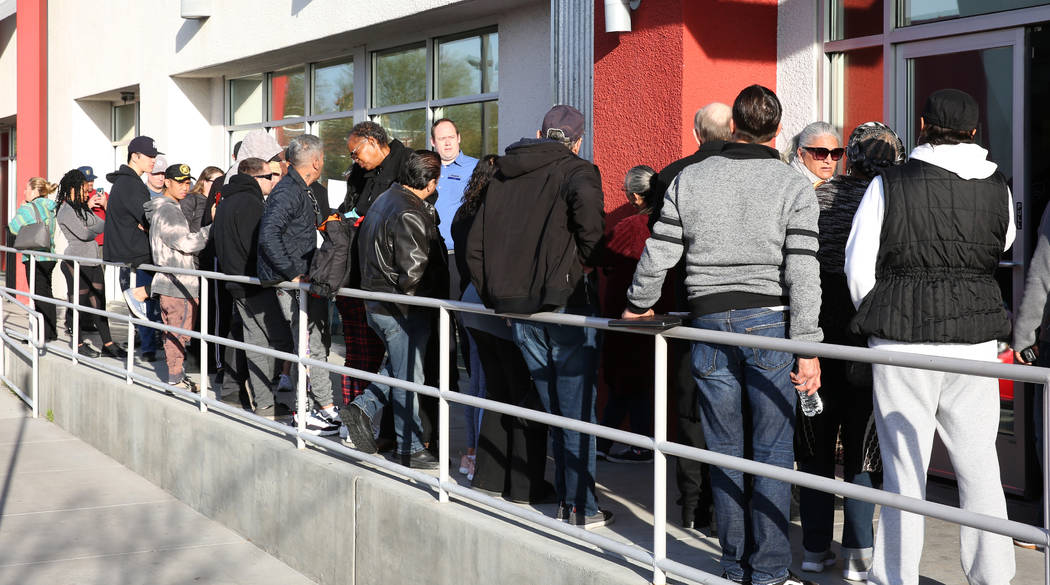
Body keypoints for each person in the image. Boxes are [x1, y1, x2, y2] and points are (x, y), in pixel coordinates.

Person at [623, 85, 822, 585]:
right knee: (774, 452)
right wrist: (809, 345)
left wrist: (637, 303)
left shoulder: (690, 178)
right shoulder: (791, 184)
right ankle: (771, 570)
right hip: (770, 324)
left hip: (707, 321)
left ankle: (735, 565)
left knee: (723, 449)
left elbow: (659, 250)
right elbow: (804, 269)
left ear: (734, 126)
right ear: (778, 131)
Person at [845, 88, 1016, 585]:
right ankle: (993, 575)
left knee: (903, 470)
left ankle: (894, 576)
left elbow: (858, 268)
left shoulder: (890, 184)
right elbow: (1001, 244)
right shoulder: (997, 185)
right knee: (980, 466)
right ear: (975, 130)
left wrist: (882, 313)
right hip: (976, 339)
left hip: (902, 340)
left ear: (922, 124)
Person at [466, 104, 608, 528]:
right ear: (578, 140)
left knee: (552, 406)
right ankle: (579, 505)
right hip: (564, 305)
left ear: (539, 132)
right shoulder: (579, 171)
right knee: (575, 408)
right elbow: (593, 231)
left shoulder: (504, 175)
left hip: (521, 310)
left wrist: (499, 295)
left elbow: (476, 247)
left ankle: (572, 500)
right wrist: (577, 270)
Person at [797, 122, 903, 580]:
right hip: (867, 335)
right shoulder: (895, 201)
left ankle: (814, 547)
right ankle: (859, 552)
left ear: (850, 157)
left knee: (817, 443)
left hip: (817, 331)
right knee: (863, 444)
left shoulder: (816, 197)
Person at [453, 155, 554, 500]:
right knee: (522, 396)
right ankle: (524, 485)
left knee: (496, 393)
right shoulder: (508, 208)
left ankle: (491, 478)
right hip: (499, 307)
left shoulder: (469, 210)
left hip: (473, 304)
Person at [340, 150, 448, 469]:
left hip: (379, 302)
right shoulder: (409, 211)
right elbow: (414, 275)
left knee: (401, 371)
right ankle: (410, 447)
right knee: (408, 377)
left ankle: (361, 408)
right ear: (430, 182)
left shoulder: (386, 199)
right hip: (401, 308)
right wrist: (433, 303)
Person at [654, 101, 732, 532]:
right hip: (744, 306)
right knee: (735, 409)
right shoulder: (754, 174)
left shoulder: (673, 175)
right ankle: (727, 507)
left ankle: (691, 505)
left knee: (689, 408)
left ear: (697, 132)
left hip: (686, 304)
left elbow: (661, 244)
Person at [258, 134, 339, 435]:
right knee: (309, 346)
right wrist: (293, 273)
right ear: (316, 162)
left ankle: (317, 408)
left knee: (312, 344)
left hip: (304, 281)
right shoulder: (289, 191)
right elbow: (269, 235)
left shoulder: (298, 188)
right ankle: (313, 410)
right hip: (295, 284)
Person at [596, 165, 671, 464]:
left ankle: (626, 444)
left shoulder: (629, 227)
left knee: (626, 382)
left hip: (627, 314)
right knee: (638, 383)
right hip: (663, 315)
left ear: (637, 197)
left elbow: (603, 259)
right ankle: (611, 443)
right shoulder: (667, 225)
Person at [334, 122, 412, 407]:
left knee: (401, 359)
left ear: (372, 141)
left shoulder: (407, 162)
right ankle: (354, 415)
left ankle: (384, 425)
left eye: (356, 152)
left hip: (390, 279)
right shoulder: (358, 174)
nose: (355, 160)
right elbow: (347, 208)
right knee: (359, 354)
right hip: (356, 277)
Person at [212, 157, 291, 418]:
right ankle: (271, 401)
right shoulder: (250, 202)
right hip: (253, 283)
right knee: (283, 340)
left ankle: (266, 403)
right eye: (269, 176)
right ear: (255, 178)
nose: (273, 181)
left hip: (235, 283)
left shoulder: (226, 201)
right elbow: (258, 244)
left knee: (256, 343)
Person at [144, 164, 211, 392]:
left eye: (187, 182)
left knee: (176, 331)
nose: (186, 186)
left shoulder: (169, 208)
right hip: (177, 282)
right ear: (167, 182)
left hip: (173, 281)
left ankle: (176, 375)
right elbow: (185, 243)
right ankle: (175, 379)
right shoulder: (169, 210)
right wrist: (210, 230)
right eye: (180, 182)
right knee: (177, 332)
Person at [55, 169, 127, 359]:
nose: (87, 192)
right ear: (72, 188)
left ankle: (108, 343)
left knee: (99, 303)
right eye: (83, 188)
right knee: (78, 303)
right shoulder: (66, 210)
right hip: (76, 262)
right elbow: (85, 234)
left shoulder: (81, 208)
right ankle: (78, 344)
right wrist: (90, 229)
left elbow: (102, 225)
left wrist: (90, 228)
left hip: (93, 260)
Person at [104, 135, 164, 362]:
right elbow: (149, 218)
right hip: (135, 252)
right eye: (150, 156)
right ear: (135, 156)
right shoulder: (131, 183)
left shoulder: (126, 181)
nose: (153, 161)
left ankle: (139, 300)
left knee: (155, 296)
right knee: (167, 281)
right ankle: (137, 296)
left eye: (155, 156)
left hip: (130, 250)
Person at [9, 177, 59, 342]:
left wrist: (22, 208)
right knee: (46, 294)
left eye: (27, 189)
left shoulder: (28, 208)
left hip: (35, 256)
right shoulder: (50, 207)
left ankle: (41, 335)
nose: (24, 192)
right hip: (49, 255)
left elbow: (14, 227)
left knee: (38, 296)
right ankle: (50, 332)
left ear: (35, 191)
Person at [431, 118, 479, 254]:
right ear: (433, 142)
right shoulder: (426, 169)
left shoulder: (476, 168)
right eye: (441, 139)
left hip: (460, 252)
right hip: (428, 253)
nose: (447, 143)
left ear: (458, 138)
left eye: (451, 137)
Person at [789, 121, 841, 187]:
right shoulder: (791, 186)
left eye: (835, 153)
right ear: (801, 154)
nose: (829, 160)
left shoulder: (833, 186)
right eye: (821, 153)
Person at [183, 166, 222, 233]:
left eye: (221, 182)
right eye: (216, 181)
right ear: (204, 181)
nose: (219, 185)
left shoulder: (221, 201)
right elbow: (183, 228)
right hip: (196, 240)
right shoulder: (191, 199)